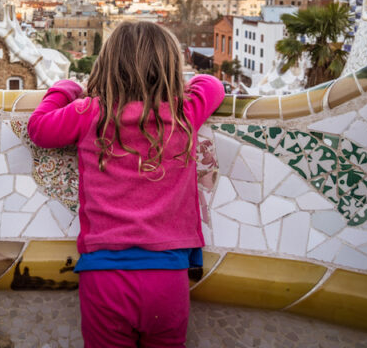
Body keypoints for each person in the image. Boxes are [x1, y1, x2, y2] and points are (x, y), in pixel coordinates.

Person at [27, 21, 225, 348]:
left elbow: (39, 128)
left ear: (106, 66)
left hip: (104, 275)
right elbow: (213, 86)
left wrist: (66, 88)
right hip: (168, 274)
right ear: (170, 69)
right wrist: (181, 84)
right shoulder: (184, 112)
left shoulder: (89, 112)